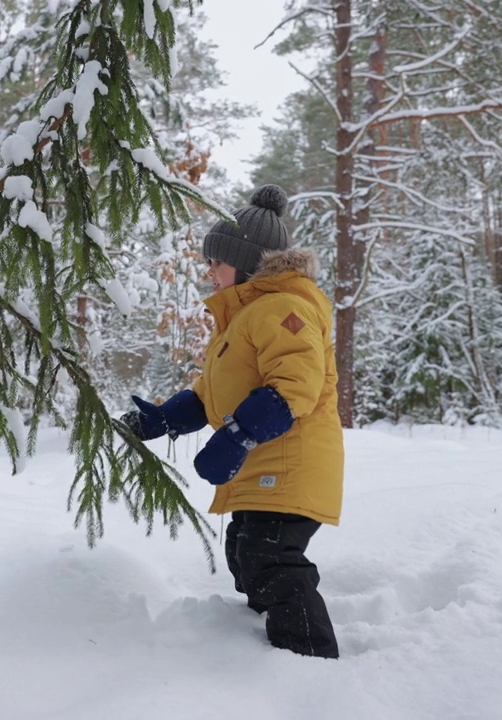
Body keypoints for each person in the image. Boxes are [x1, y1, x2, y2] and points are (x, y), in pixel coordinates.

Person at [122, 184, 343, 659]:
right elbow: (211, 393)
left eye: (215, 261)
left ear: (246, 262)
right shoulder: (243, 317)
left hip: (292, 462)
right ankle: (264, 646)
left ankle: (310, 661)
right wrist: (161, 420)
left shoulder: (285, 307)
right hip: (263, 464)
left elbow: (295, 384)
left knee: (270, 558)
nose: (208, 270)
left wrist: (240, 435)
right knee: (245, 555)